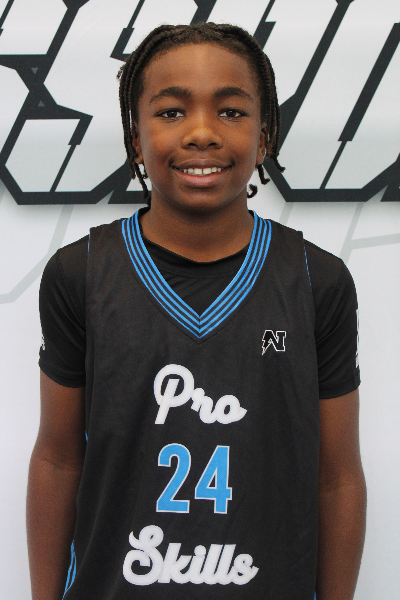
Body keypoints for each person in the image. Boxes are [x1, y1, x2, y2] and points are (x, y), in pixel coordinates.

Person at [27, 22, 367, 600]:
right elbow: (59, 460)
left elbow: (336, 477)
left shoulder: (317, 281)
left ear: (264, 138)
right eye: (171, 112)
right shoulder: (79, 274)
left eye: (231, 111)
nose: (203, 132)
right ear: (136, 139)